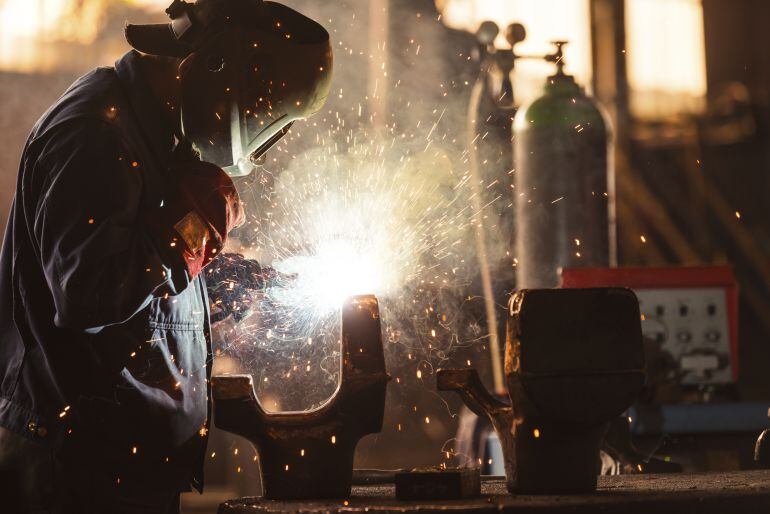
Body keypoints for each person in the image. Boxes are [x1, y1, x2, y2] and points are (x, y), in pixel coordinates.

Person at [0, 0, 332, 512]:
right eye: (265, 109)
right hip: (77, 472)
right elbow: (89, 295)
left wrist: (212, 284)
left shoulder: (155, 129)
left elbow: (141, 270)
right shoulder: (96, 133)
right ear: (222, 72)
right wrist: (193, 232)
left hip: (125, 462)